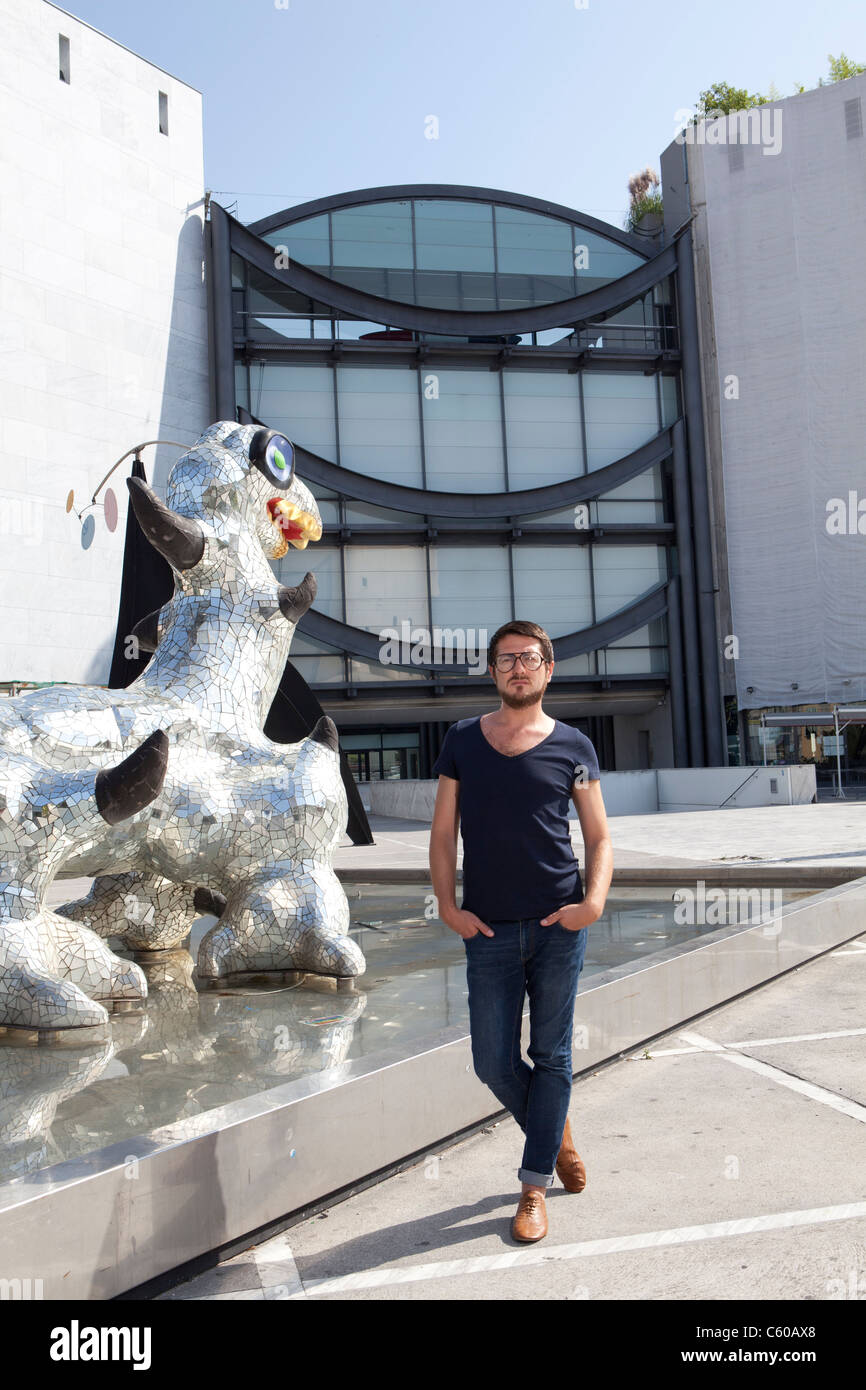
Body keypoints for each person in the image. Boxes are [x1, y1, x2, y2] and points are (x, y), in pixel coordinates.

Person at [429, 619, 613, 1243]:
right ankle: (553, 1129)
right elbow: (442, 832)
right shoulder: (461, 740)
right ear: (491, 671)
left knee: (553, 1055)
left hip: (560, 923)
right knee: (491, 1061)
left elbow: (599, 837)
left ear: (547, 669)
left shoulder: (575, 748)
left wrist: (592, 902)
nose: (517, 668)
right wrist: (447, 908)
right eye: (506, 659)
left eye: (528, 658)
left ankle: (534, 1187)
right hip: (488, 930)